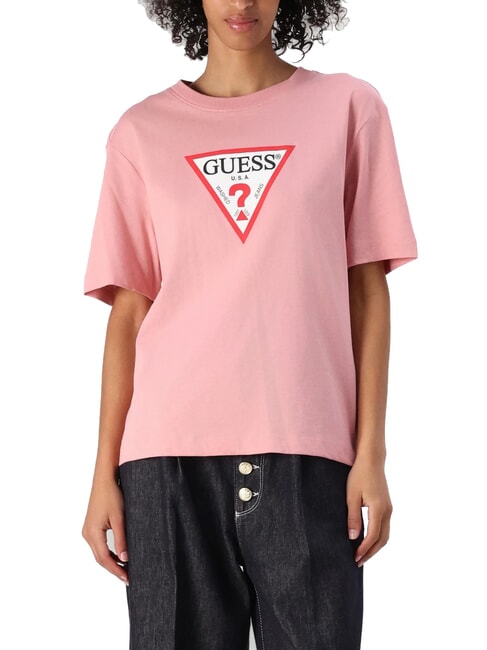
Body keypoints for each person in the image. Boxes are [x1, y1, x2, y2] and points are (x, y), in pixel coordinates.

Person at [81, 1, 418, 648]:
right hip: (166, 461)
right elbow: (129, 314)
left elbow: (366, 290)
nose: (242, 3)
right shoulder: (140, 132)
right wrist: (103, 474)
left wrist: (370, 452)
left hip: (308, 450)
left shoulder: (349, 108)